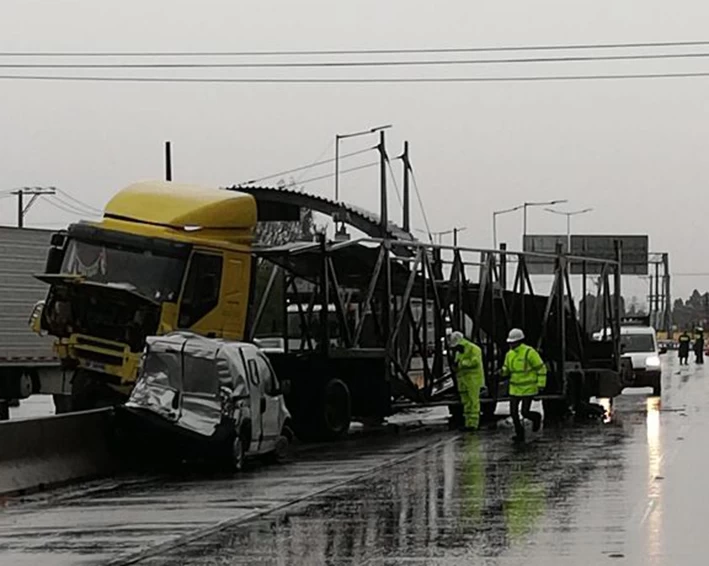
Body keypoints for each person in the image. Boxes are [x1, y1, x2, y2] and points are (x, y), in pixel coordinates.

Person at [501, 328, 547, 443]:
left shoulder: (529, 352)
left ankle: (536, 417)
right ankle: (519, 434)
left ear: (519, 341)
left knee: (525, 412)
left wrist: (541, 384)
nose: (510, 344)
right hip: (514, 389)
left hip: (528, 388)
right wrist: (501, 372)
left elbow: (541, 368)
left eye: (512, 342)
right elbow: (507, 369)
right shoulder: (509, 355)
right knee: (513, 413)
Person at [449, 331, 485, 431]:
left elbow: (475, 362)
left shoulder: (474, 349)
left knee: (473, 402)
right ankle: (468, 423)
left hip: (473, 381)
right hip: (464, 381)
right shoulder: (460, 352)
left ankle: (473, 424)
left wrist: (460, 364)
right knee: (466, 403)